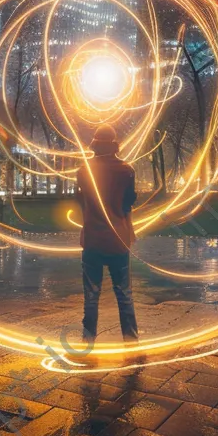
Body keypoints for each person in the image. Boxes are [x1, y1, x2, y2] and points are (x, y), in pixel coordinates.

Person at [75, 124, 138, 344]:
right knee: (124, 294)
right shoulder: (126, 170)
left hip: (93, 238)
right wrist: (130, 230)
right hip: (118, 239)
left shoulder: (84, 171)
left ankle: (88, 341)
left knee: (91, 296)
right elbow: (128, 204)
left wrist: (86, 227)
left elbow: (82, 205)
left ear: (94, 144)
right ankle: (130, 341)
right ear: (114, 145)